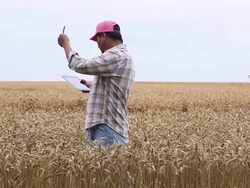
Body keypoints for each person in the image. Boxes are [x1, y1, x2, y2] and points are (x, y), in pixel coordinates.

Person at [58, 20, 135, 147]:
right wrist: (93, 86)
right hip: (110, 127)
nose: (97, 45)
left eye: (97, 40)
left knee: (104, 166)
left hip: (107, 127)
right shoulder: (124, 57)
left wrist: (66, 44)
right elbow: (114, 87)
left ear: (103, 36)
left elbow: (79, 65)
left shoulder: (115, 56)